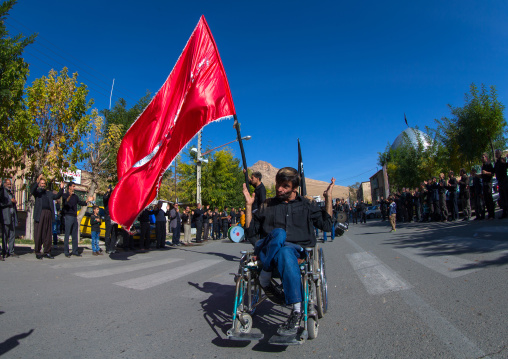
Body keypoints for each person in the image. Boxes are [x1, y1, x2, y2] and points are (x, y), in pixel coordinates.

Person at [243, 167, 334, 336]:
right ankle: (266, 273)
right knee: (279, 234)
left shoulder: (307, 204)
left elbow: (327, 225)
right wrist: (249, 207)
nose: (279, 189)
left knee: (285, 251)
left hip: (293, 252)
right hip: (269, 249)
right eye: (278, 184)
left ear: (294, 188)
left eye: (285, 186)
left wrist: (328, 199)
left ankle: (297, 311)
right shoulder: (266, 205)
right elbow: (250, 233)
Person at [30, 176, 64, 259]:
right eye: (41, 183)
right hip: (40, 214)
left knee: (48, 234)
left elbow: (57, 196)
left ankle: (47, 251)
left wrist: (61, 189)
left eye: (44, 184)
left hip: (48, 214)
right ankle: (38, 252)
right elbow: (32, 190)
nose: (43, 185)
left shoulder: (49, 193)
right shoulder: (37, 192)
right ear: (39, 184)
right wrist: (36, 181)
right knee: (39, 233)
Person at [62, 182, 93, 257]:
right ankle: (66, 251)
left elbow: (80, 203)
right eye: (73, 186)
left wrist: (87, 201)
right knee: (67, 234)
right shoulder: (65, 195)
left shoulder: (75, 196)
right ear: (69, 187)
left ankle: (75, 251)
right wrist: (69, 195)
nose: (74, 187)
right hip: (68, 216)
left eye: (74, 186)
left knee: (74, 234)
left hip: (74, 217)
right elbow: (65, 203)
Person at [1, 178, 19, 258]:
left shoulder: (11, 193)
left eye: (10, 184)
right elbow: (2, 203)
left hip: (12, 215)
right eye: (8, 184)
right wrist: (10, 201)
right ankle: (4, 250)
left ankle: (11, 251)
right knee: (5, 235)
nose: (9, 186)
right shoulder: (2, 192)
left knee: (12, 234)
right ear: (4, 184)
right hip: (5, 216)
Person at [103, 186, 118, 254]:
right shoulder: (107, 198)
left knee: (114, 233)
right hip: (108, 217)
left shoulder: (115, 199)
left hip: (114, 218)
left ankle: (112, 248)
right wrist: (108, 191)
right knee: (108, 233)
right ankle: (108, 248)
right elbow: (104, 197)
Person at [480, 153, 495, 220]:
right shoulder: (483, 166)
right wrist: (478, 176)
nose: (482, 159)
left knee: (489, 199)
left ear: (486, 158)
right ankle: (489, 214)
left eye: (483, 157)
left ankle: (492, 214)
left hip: (488, 183)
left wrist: (486, 172)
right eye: (481, 157)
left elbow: (492, 173)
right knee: (486, 200)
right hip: (484, 184)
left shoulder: (489, 164)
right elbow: (483, 176)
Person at [494, 149, 508, 219]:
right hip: (499, 182)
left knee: (506, 197)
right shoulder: (496, 163)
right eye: (495, 153)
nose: (496, 154)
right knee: (502, 197)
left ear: (500, 153)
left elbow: (506, 166)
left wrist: (505, 161)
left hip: (504, 181)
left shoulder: (502, 160)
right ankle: (504, 212)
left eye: (497, 153)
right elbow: (493, 171)